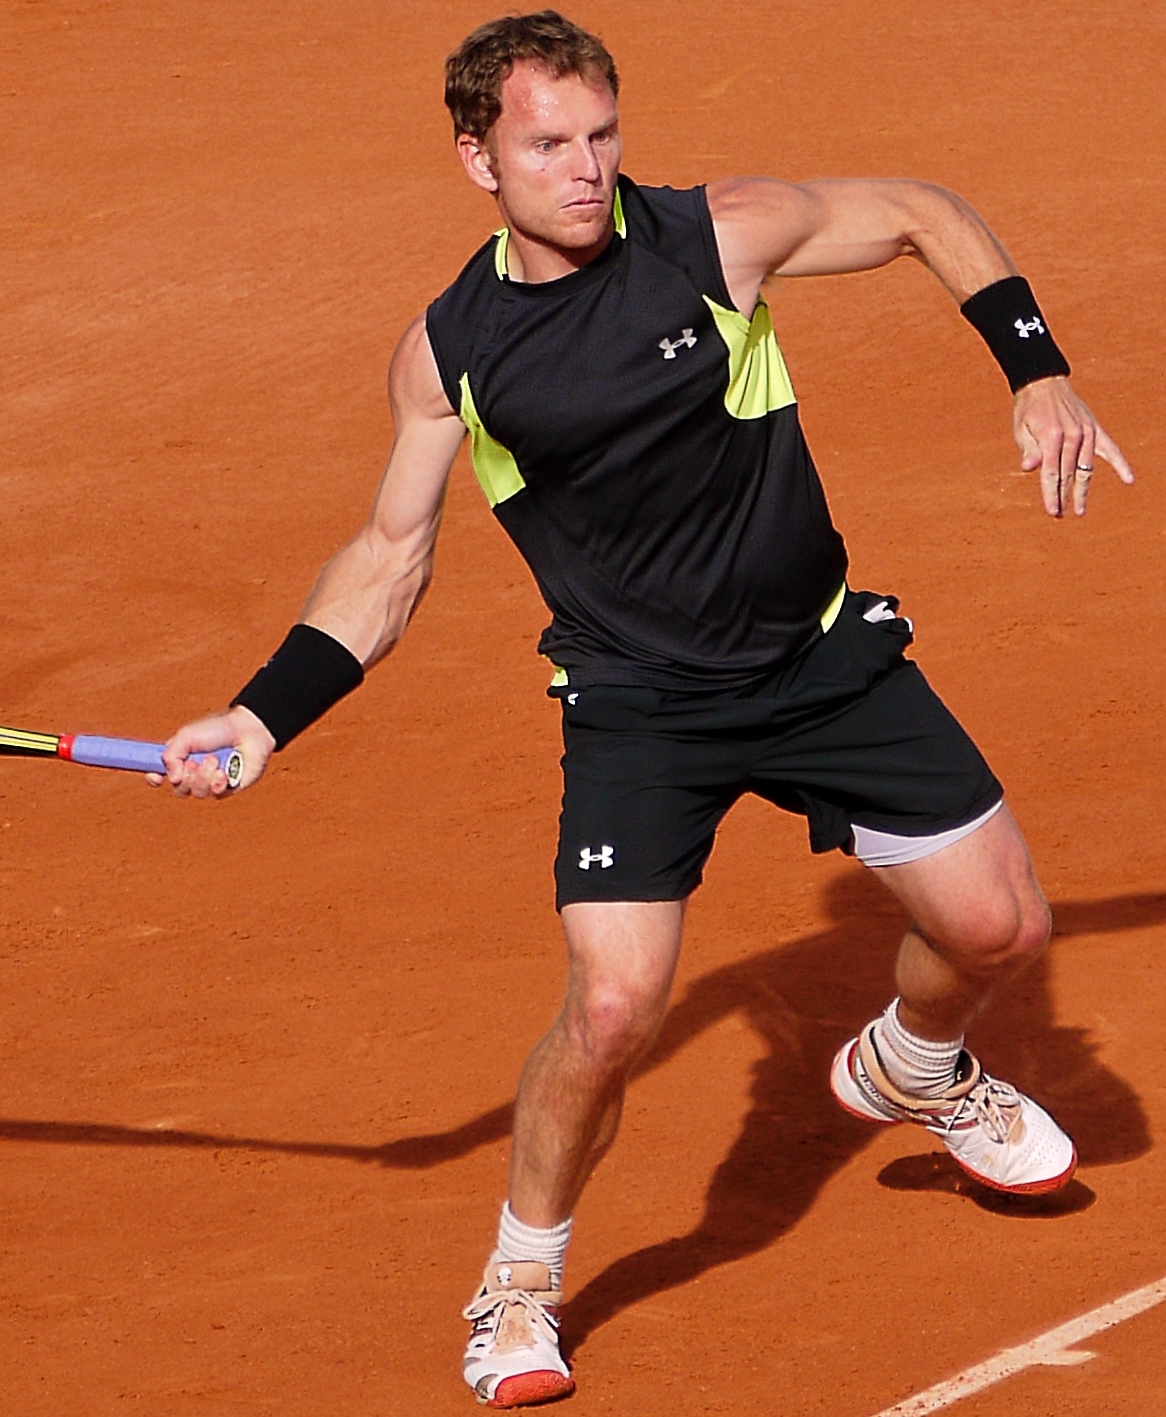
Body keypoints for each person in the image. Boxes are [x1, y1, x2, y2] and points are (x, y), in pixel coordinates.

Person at [157, 11, 1133, 1409]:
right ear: (477, 158)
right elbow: (387, 560)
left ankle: (916, 1064)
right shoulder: (452, 354)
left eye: (602, 135)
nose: (585, 168)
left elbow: (922, 210)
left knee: (1002, 931)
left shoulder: (713, 240)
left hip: (821, 662)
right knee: (612, 1011)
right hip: (639, 708)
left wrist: (1034, 370)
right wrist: (261, 716)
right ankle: (519, 1282)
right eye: (547, 144)